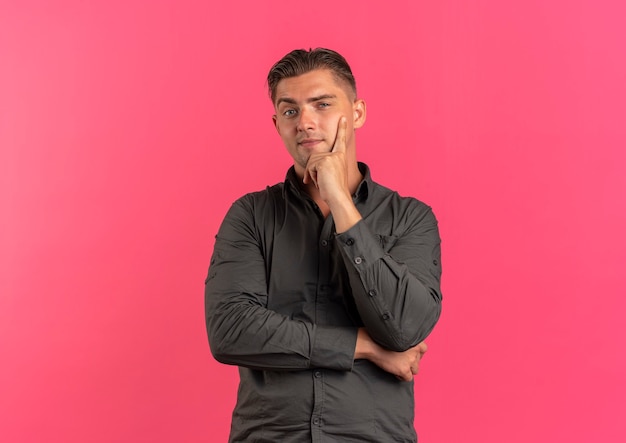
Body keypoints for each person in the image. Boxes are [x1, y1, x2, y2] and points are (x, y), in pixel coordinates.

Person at [205, 48, 442, 443]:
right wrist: (362, 346)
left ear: (358, 113)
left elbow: (405, 329)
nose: (306, 122)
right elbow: (231, 329)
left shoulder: (410, 218)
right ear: (277, 123)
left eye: (322, 104)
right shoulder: (250, 215)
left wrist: (339, 200)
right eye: (291, 111)